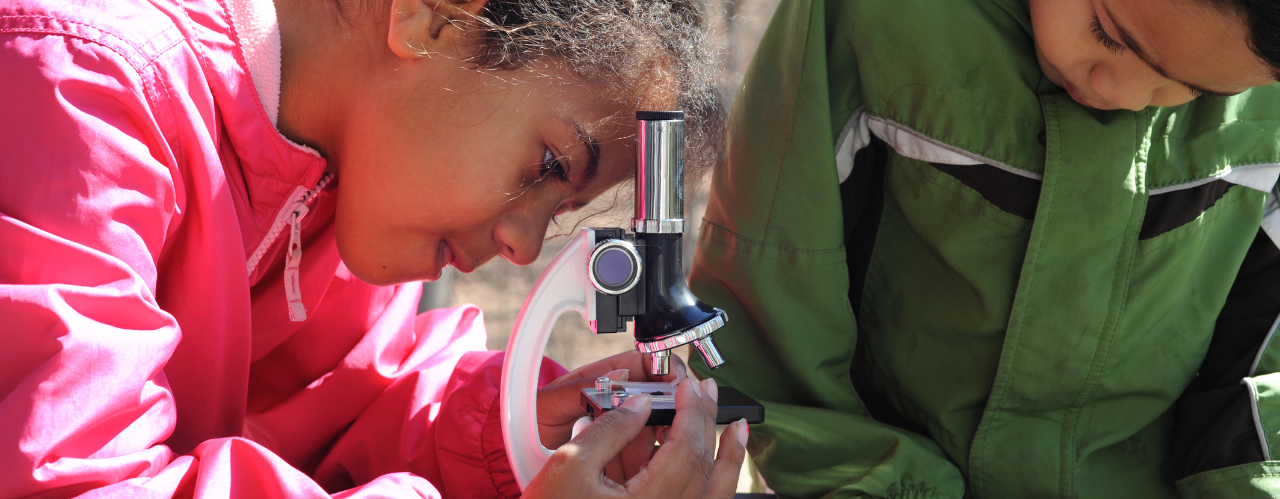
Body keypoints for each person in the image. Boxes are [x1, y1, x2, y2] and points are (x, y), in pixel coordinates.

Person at [0, 0, 748, 496]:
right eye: (549, 166)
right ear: (433, 17)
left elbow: (355, 408)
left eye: (561, 212)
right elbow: (72, 477)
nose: (523, 244)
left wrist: (523, 434)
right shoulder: (83, 87)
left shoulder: (355, 176)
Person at [689, 0, 1280, 497]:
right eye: (1106, 32)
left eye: (1192, 90)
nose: (1121, 91)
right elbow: (769, 298)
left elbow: (1264, 366)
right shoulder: (876, 17)